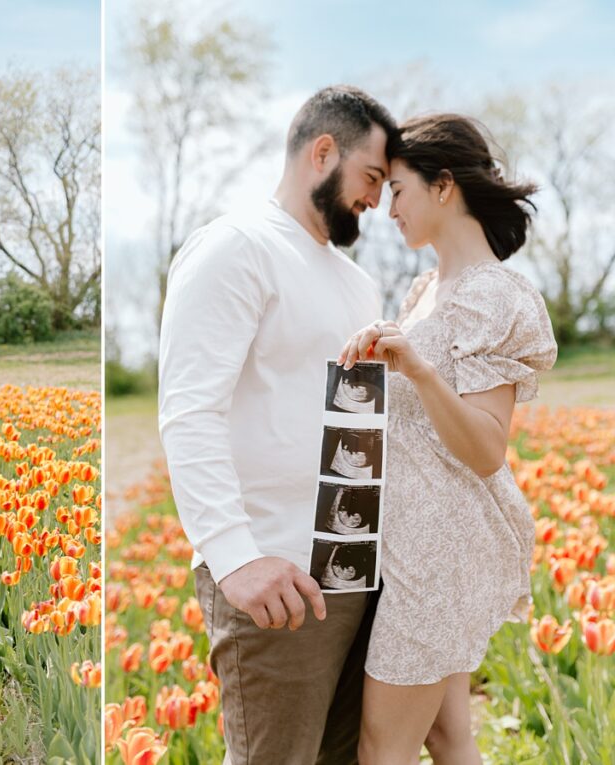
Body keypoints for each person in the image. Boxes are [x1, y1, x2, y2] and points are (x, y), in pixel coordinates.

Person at [158, 85, 397, 764]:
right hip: (276, 577)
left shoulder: (358, 283)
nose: (377, 200)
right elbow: (190, 409)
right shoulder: (236, 247)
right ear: (323, 152)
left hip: (356, 574)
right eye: (371, 177)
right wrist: (235, 556)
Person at [337, 114, 557, 765]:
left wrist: (419, 370)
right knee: (449, 737)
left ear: (444, 186)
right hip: (409, 542)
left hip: (441, 553)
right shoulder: (427, 288)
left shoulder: (495, 296)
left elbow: (488, 447)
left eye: (398, 190)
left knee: (383, 747)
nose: (388, 209)